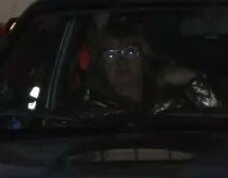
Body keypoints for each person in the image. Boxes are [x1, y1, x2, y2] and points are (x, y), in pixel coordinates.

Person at [80, 23, 218, 113]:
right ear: (101, 67)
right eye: (110, 55)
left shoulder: (171, 104)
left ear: (143, 60)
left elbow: (215, 122)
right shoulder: (92, 111)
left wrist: (193, 81)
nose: (121, 61)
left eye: (130, 52)